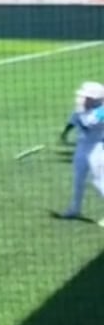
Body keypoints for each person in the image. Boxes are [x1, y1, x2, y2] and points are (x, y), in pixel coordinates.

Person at [60, 82, 104, 225]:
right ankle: (75, 209)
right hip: (81, 148)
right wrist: (65, 133)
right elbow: (72, 121)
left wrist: (80, 110)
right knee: (78, 180)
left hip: (97, 149)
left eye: (87, 97)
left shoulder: (101, 112)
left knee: (98, 181)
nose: (82, 99)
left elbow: (86, 123)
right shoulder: (83, 109)